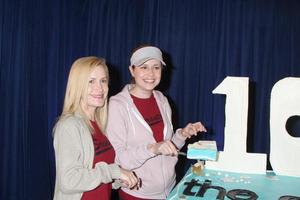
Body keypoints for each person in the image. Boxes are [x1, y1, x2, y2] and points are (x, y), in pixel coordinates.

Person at [107, 45, 207, 200]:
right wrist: (153, 148)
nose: (151, 74)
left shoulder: (162, 99)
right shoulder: (117, 105)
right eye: (144, 67)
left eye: (156, 67)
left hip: (170, 190)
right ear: (132, 70)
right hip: (138, 193)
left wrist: (182, 135)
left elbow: (167, 147)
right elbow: (119, 159)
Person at [53, 56, 139, 200]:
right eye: (90, 81)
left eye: (103, 81)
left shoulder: (100, 124)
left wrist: (118, 181)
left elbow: (97, 176)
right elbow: (68, 181)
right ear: (77, 86)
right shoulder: (68, 126)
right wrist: (114, 172)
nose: (99, 88)